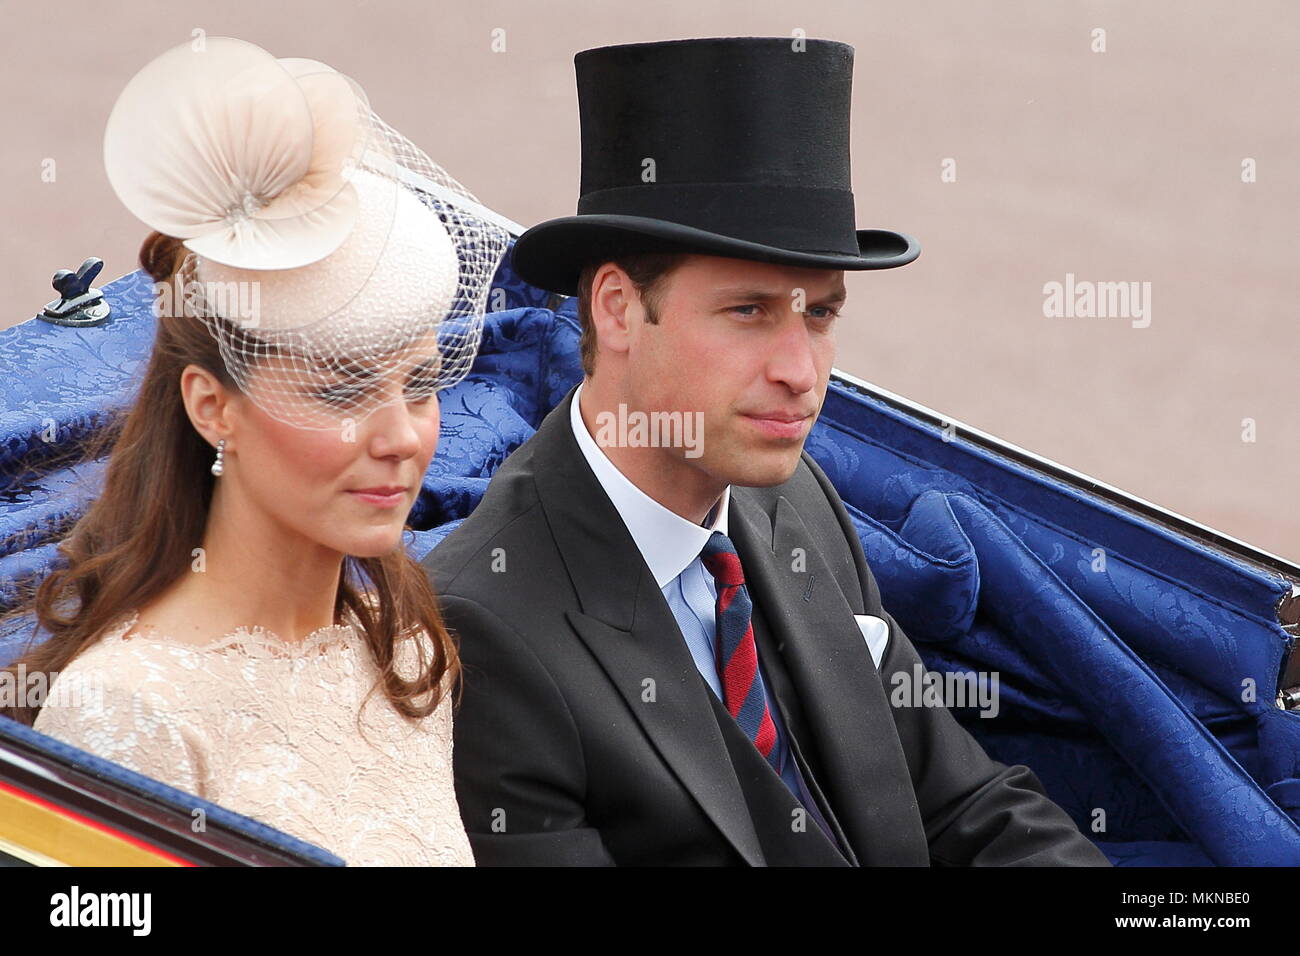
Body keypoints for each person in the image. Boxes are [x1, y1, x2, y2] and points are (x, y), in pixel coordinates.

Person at [424, 36, 1111, 866]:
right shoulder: (488, 626)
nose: (801, 373)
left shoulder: (792, 499)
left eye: (820, 314)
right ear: (614, 308)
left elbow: (965, 802)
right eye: (749, 311)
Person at [0, 38, 508, 866]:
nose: (401, 438)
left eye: (419, 385)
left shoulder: (403, 650)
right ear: (212, 407)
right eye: (341, 392)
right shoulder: (127, 715)